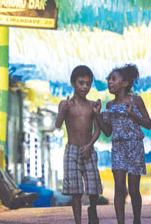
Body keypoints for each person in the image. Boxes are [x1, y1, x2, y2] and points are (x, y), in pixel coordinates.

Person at [94, 64, 151, 224]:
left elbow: (148, 124)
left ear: (125, 83)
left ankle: (137, 220)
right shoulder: (109, 106)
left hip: (135, 146)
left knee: (134, 189)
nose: (109, 82)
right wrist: (97, 115)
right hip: (118, 147)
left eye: (114, 79)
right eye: (109, 80)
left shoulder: (136, 101)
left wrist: (132, 114)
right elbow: (107, 132)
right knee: (119, 188)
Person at [56, 65, 103, 224]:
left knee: (94, 186)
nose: (85, 87)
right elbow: (57, 124)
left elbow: (97, 129)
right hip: (72, 150)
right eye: (81, 83)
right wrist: (64, 110)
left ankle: (93, 210)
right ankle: (78, 221)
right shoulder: (65, 103)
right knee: (76, 192)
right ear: (73, 83)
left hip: (88, 149)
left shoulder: (92, 105)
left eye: (88, 84)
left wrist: (90, 145)